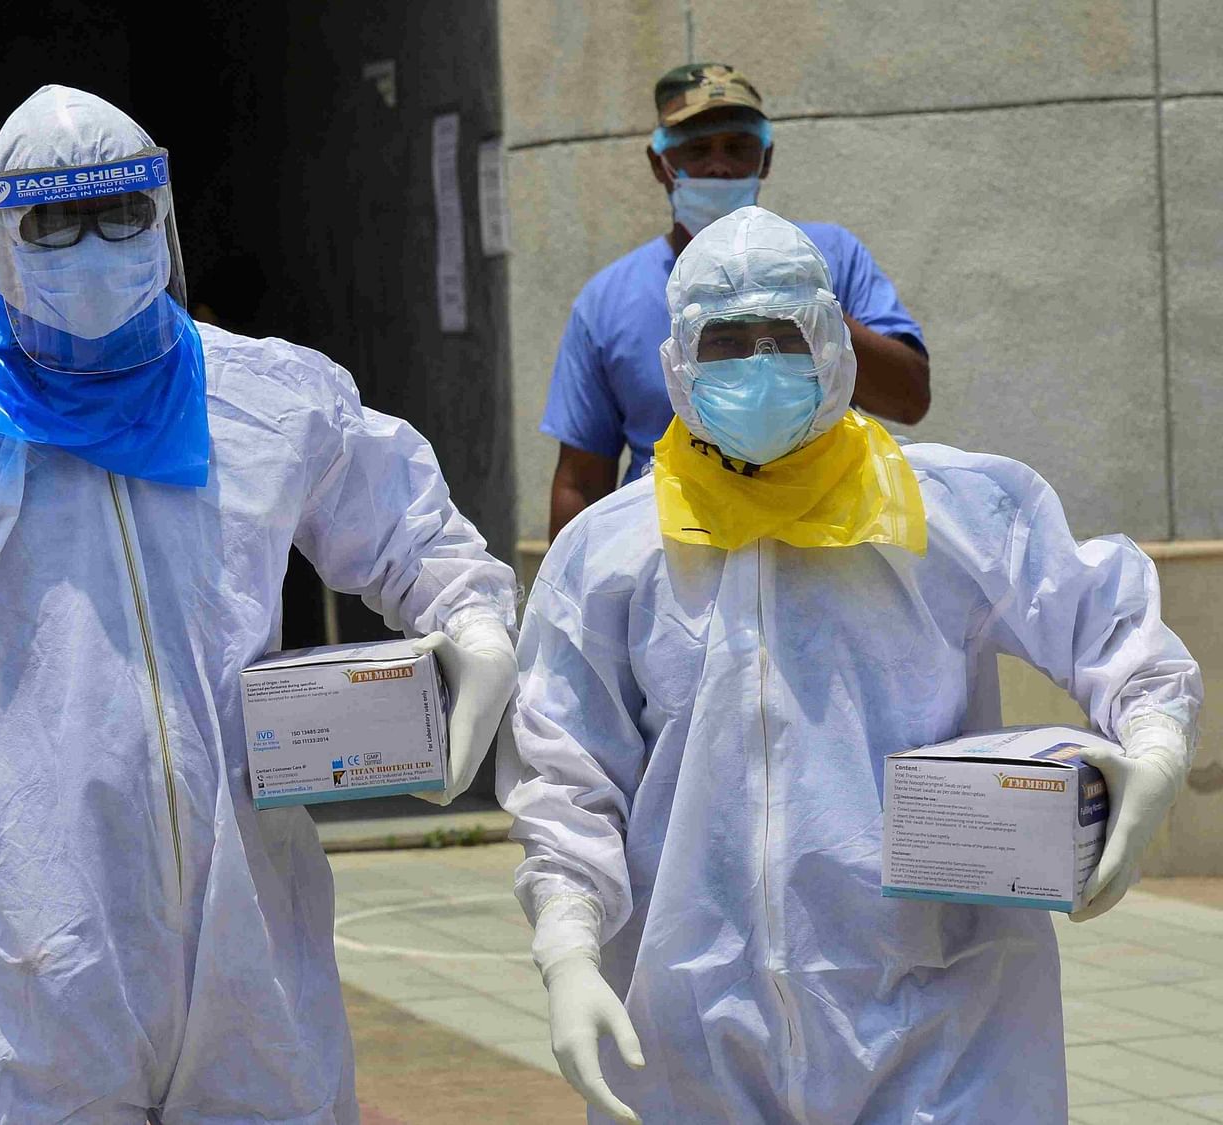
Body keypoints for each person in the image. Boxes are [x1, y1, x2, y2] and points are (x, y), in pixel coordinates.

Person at [0, 85, 519, 1124]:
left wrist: (474, 620)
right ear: (0, 237)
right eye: (53, 221)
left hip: (254, 947)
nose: (90, 247)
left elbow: (407, 529)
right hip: (39, 959)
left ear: (163, 216)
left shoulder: (264, 399)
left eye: (118, 212)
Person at [500, 206, 1200, 1124]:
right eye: (726, 340)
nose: (757, 365)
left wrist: (1150, 749)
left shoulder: (953, 510)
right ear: (677, 361)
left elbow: (1113, 627)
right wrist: (567, 941)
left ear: (833, 342)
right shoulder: (612, 551)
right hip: (692, 1035)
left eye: (781, 336)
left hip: (941, 1023)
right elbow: (566, 772)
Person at [542, 62, 931, 542]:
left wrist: (807, 306)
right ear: (659, 163)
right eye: (697, 150)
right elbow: (580, 478)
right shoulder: (607, 300)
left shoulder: (834, 258)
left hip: (826, 537)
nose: (719, 165)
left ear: (765, 158)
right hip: (676, 550)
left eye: (738, 146)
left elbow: (910, 398)